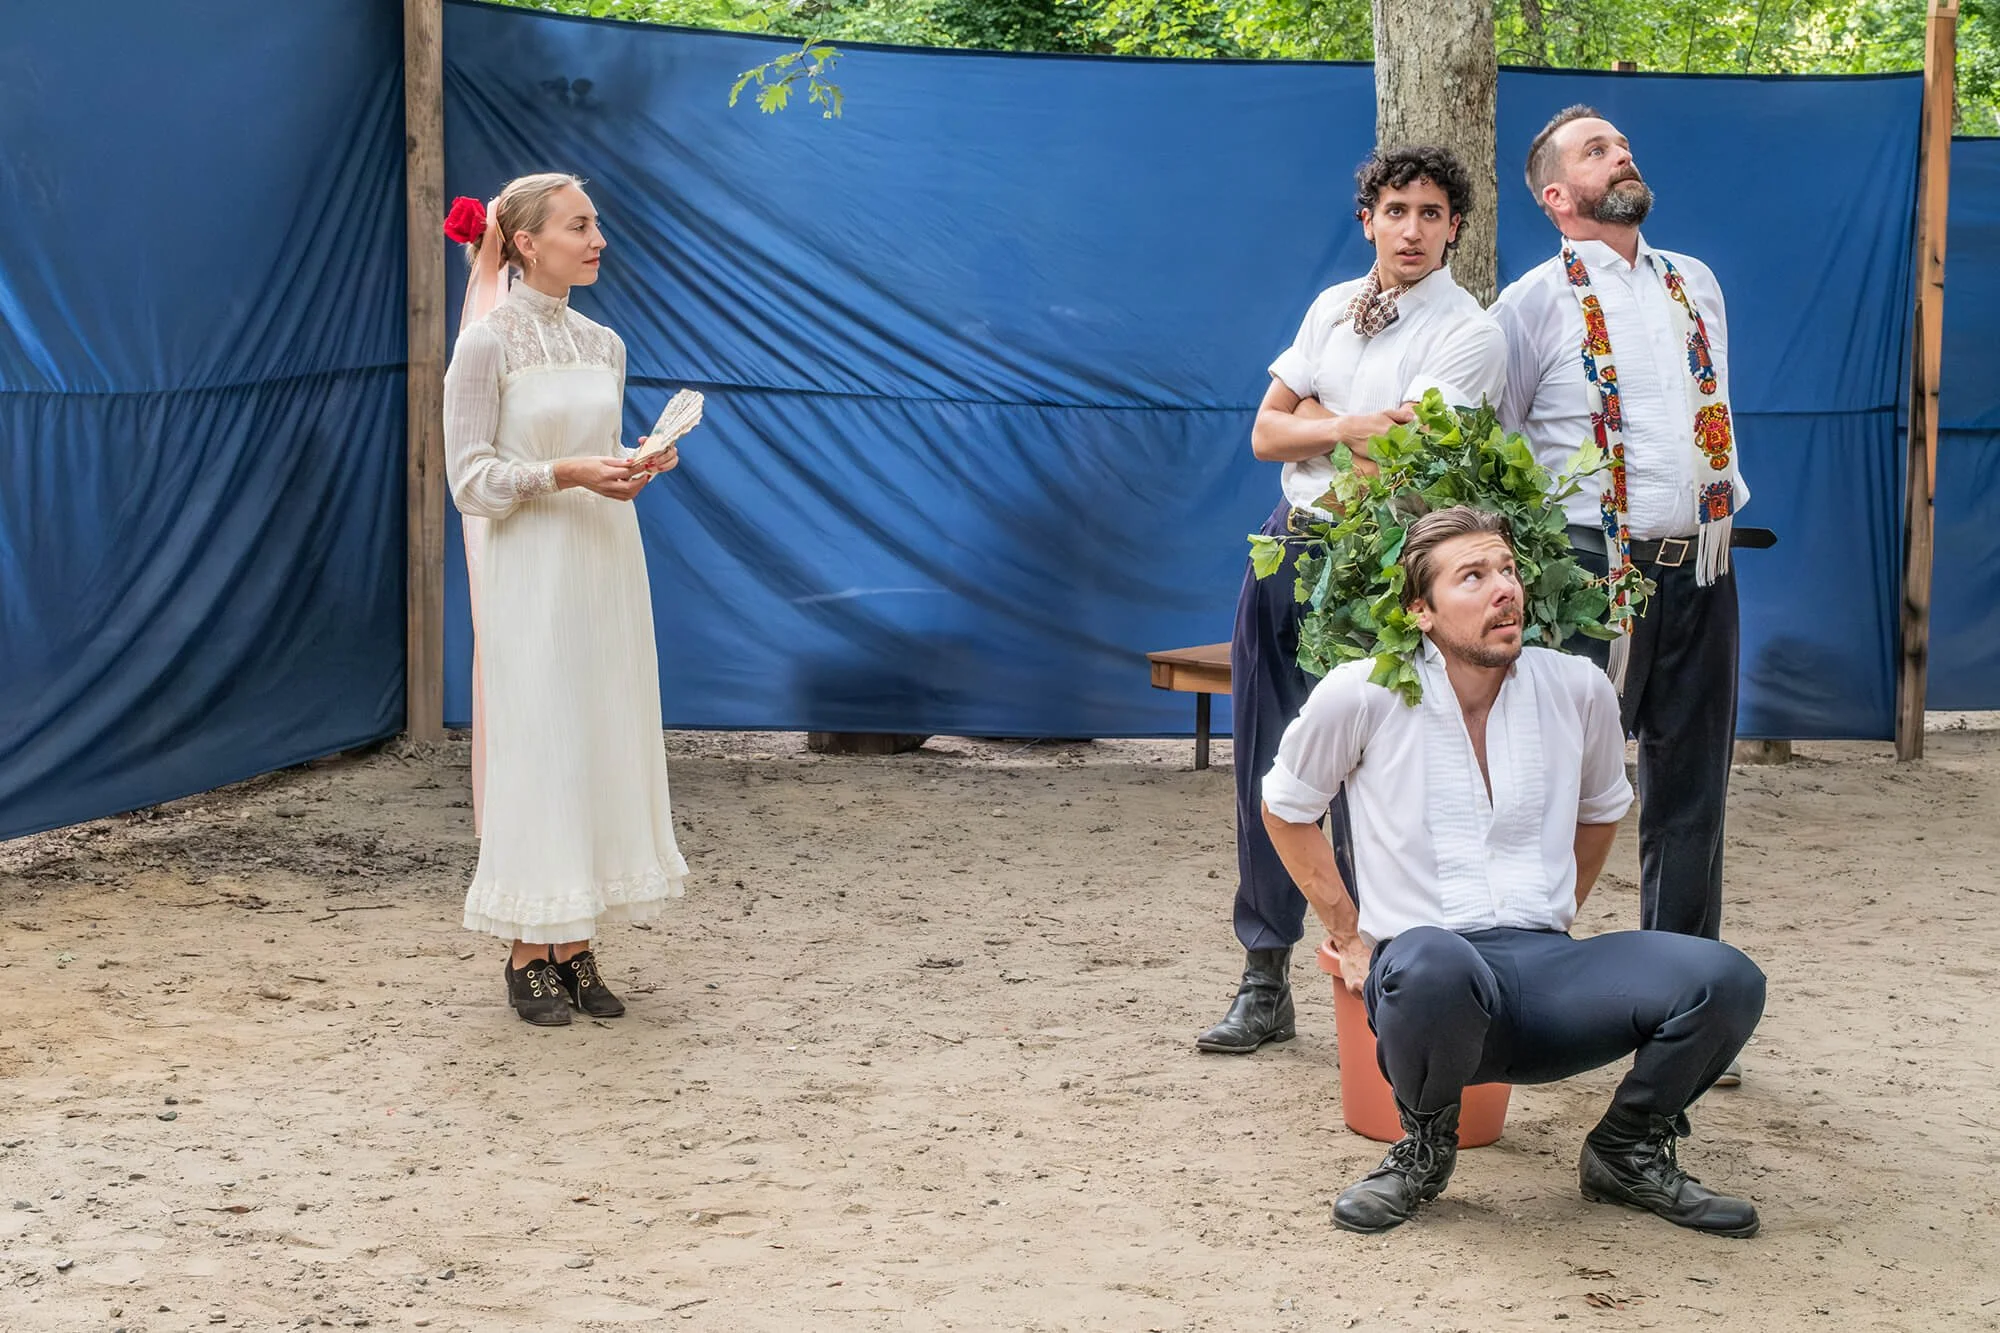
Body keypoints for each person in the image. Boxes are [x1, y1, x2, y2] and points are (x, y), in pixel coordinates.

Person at [1262, 506, 1764, 1236]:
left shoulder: (1578, 688)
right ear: (1421, 611)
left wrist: (1560, 910)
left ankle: (1627, 1147)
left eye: (1506, 570)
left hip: (1547, 968)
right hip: (1429, 982)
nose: (1505, 589)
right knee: (1433, 959)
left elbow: (1603, 809)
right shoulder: (1363, 689)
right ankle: (1424, 1149)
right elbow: (1285, 807)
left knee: (1729, 979)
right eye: (1473, 576)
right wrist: (1352, 938)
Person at [1199, 147, 1508, 1054]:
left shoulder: (1469, 332)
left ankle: (1387, 977)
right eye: (1395, 209)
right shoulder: (1333, 305)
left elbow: (1398, 463)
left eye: (1432, 213)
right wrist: (1340, 426)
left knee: (1371, 772)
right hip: (1283, 546)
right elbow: (1265, 432)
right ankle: (1264, 976)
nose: (1412, 229)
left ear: (1456, 227)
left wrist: (1325, 440)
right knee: (1269, 757)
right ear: (1367, 217)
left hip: (1381, 559)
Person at [1491, 111, 1750, 1088]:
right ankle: (1521, 1003)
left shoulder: (1695, 284)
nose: (1621, 155)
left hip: (1702, 563)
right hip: (1588, 567)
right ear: (1555, 197)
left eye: (1622, 144)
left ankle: (1684, 1009)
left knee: (1690, 794)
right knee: (1553, 788)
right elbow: (1499, 430)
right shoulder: (1529, 303)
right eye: (1594, 150)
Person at [441, 172, 689, 1026]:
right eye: (579, 225)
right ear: (524, 241)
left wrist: (629, 465)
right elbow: (471, 479)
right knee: (541, 742)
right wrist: (563, 472)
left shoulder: (604, 341)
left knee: (597, 736)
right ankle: (525, 950)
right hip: (531, 569)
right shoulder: (485, 345)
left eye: (596, 225)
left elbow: (594, 451)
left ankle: (576, 942)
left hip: (604, 560)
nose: (597, 239)